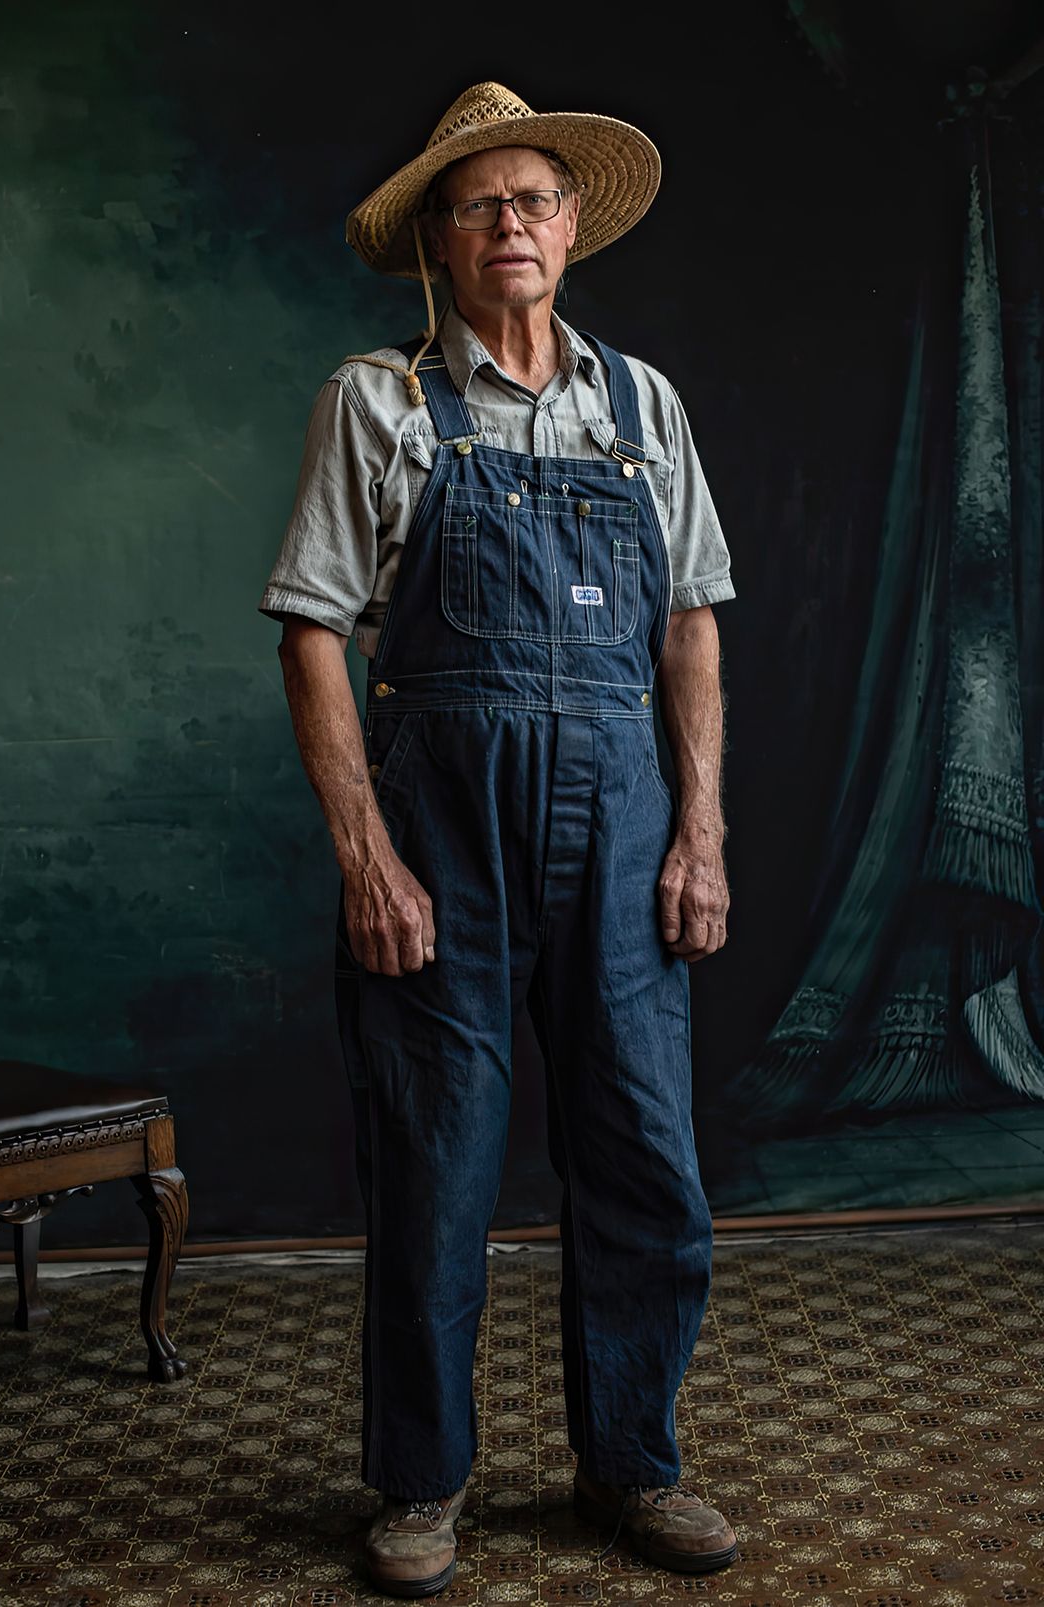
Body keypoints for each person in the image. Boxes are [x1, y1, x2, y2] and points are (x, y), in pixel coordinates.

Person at [260, 80, 737, 1599]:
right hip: (442, 847)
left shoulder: (644, 406)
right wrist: (365, 856)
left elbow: (689, 629)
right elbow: (314, 633)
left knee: (648, 1169)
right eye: (479, 206)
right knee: (436, 1170)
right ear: (440, 245)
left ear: (573, 222)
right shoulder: (378, 403)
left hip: (623, 838)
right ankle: (419, 1485)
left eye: (533, 198)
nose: (512, 223)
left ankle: (635, 1467)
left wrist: (702, 834)